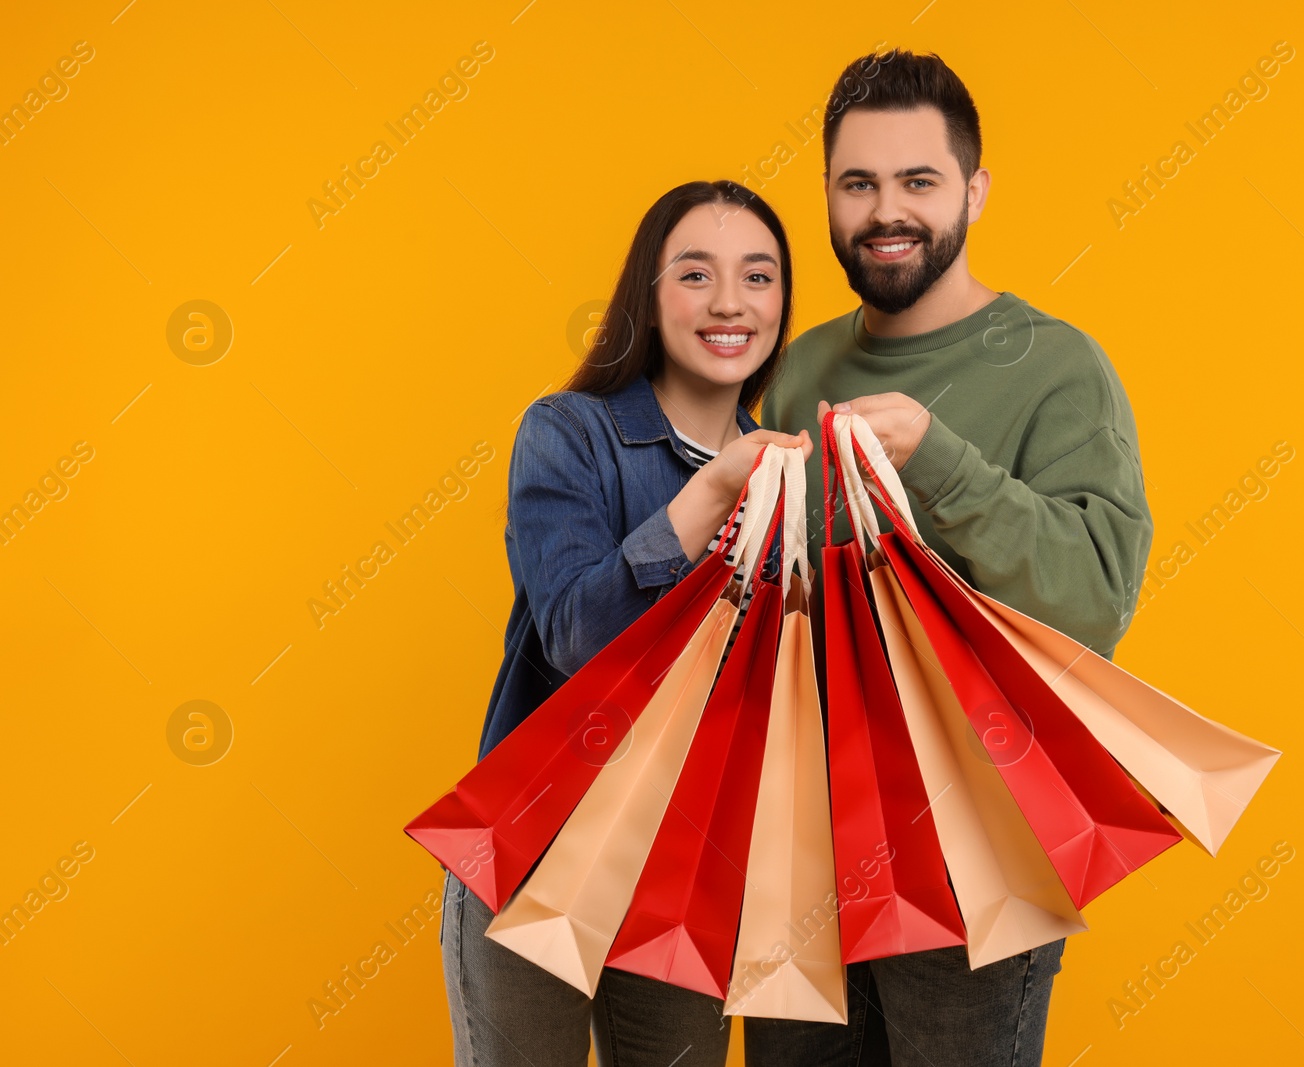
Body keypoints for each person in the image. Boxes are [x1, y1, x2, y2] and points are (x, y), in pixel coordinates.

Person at [748, 49, 1156, 1066]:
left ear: (973, 189)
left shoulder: (1059, 366)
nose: (886, 210)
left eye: (917, 181)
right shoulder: (799, 368)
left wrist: (941, 461)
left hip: (977, 855)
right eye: (858, 183)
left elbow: (1095, 596)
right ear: (831, 198)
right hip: (802, 858)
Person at [439, 179, 813, 1067]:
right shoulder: (569, 433)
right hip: (533, 851)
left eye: (758, 277)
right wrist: (714, 488)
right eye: (695, 274)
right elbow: (576, 635)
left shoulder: (793, 478)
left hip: (683, 877)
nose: (730, 302)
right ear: (648, 296)